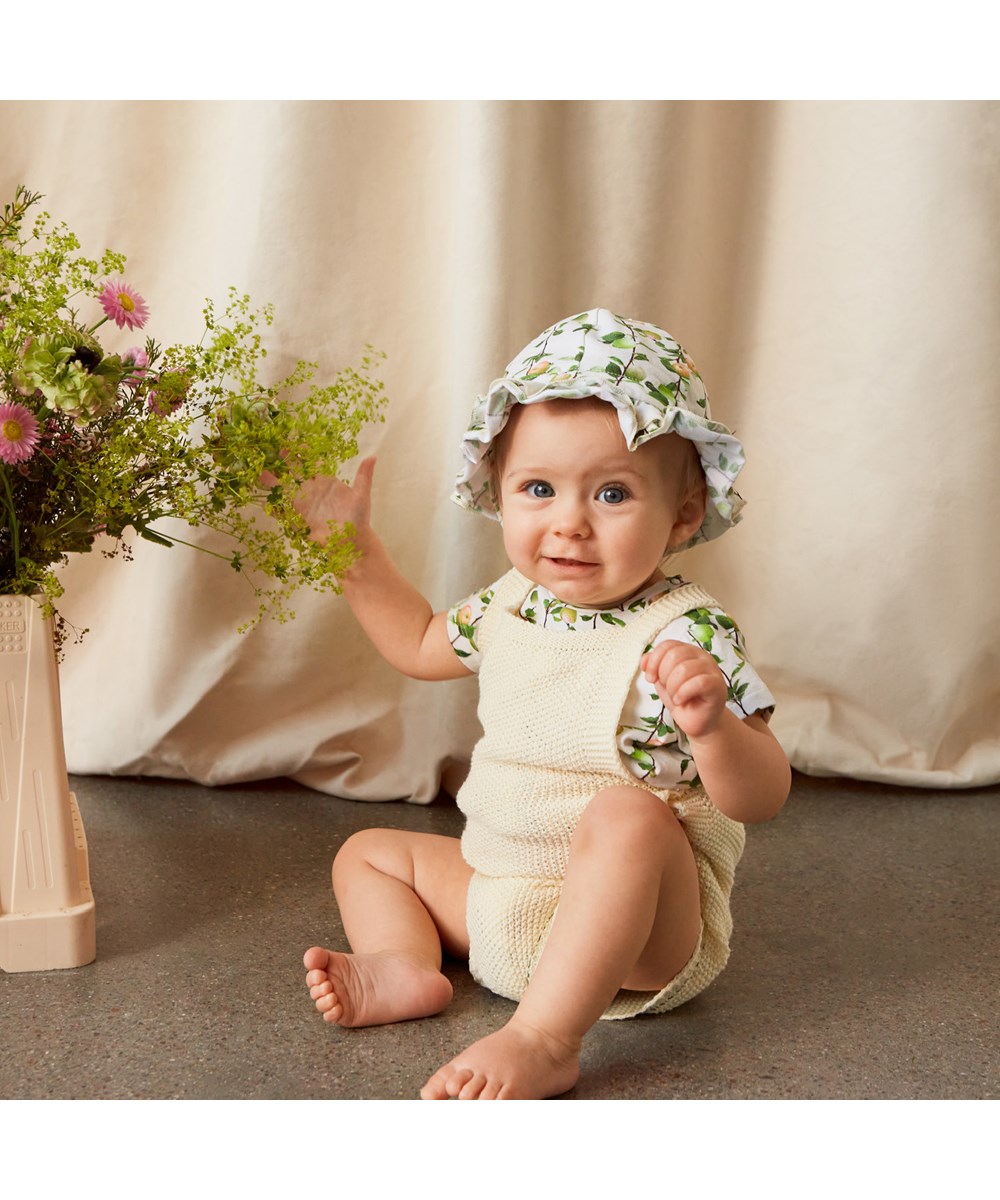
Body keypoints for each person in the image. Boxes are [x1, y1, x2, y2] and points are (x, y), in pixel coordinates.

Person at [298, 308, 790, 1100]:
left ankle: (545, 1037)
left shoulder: (688, 632)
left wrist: (713, 728)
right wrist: (355, 559)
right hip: (503, 899)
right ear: (499, 492)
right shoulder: (513, 601)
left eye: (612, 493)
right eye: (538, 488)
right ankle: (405, 964)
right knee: (368, 853)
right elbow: (421, 642)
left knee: (627, 816)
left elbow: (765, 794)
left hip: (640, 937)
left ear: (685, 514)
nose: (568, 522)